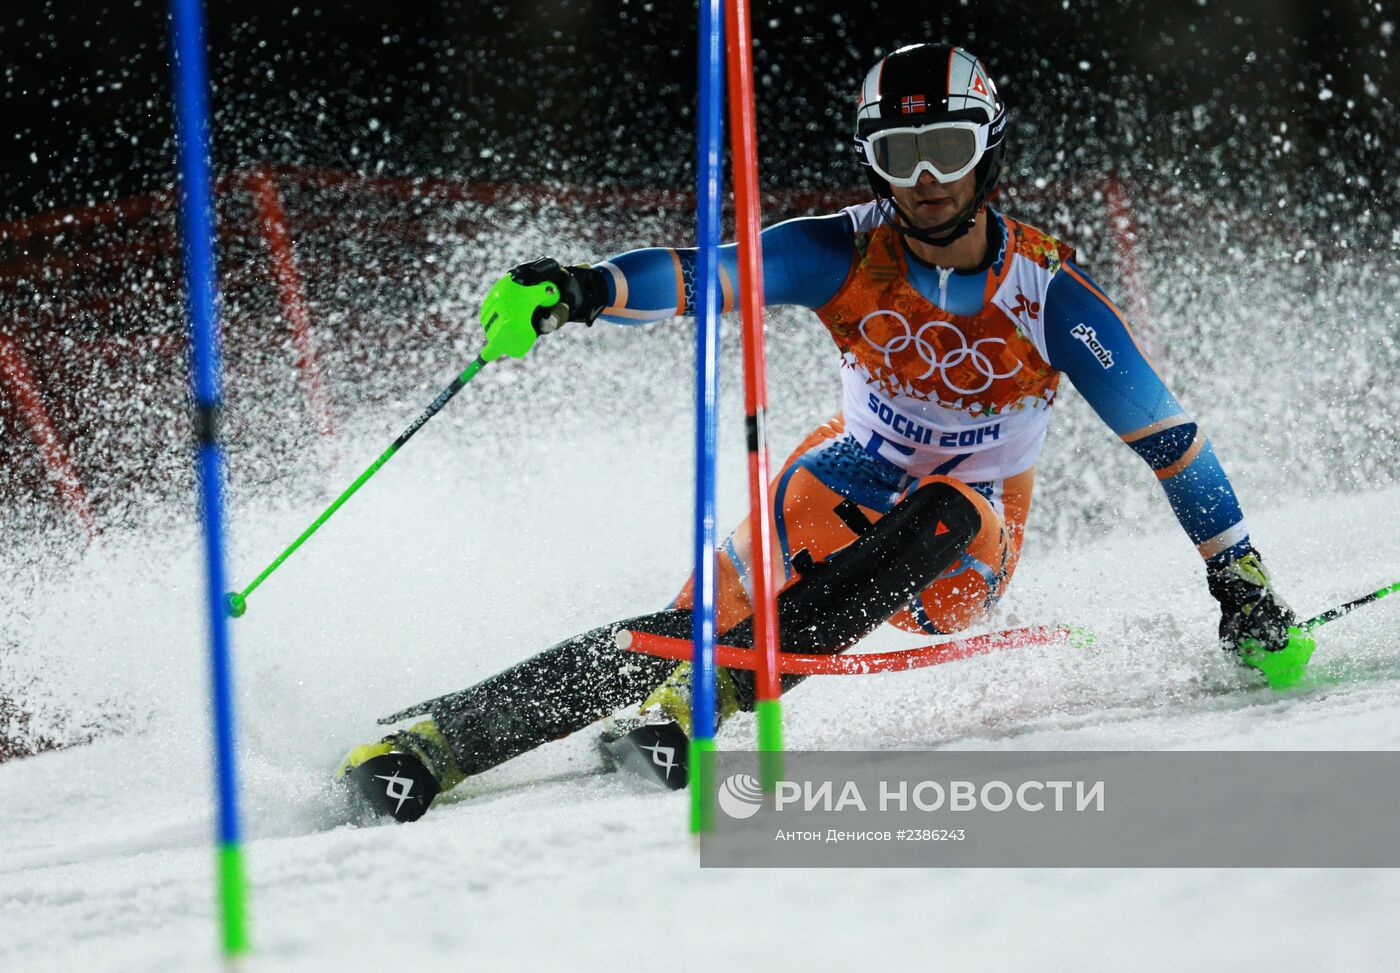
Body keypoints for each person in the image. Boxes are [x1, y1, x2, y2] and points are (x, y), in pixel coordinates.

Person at [337, 43, 1312, 822]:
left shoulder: (1048, 297)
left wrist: (1238, 576)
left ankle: (709, 689)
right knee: (704, 606)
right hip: (839, 481)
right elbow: (699, 275)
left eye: (948, 153)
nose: (925, 181)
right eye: (899, 156)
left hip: (957, 552)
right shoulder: (840, 250)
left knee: (950, 507)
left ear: (989, 153)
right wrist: (581, 290)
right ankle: (442, 738)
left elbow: (1172, 444)